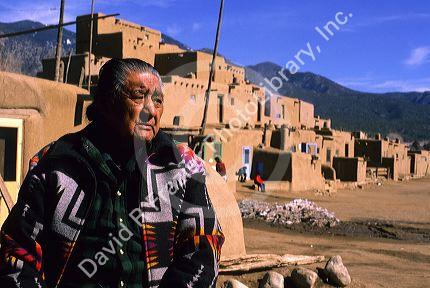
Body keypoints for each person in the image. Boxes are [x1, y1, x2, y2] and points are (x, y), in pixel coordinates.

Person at [0, 59, 224, 288]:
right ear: (108, 102)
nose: (151, 110)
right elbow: (17, 248)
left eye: (157, 100)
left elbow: (204, 244)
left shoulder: (181, 167)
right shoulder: (55, 164)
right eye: (139, 96)